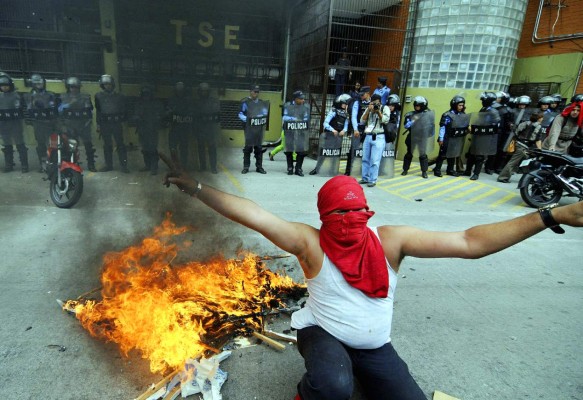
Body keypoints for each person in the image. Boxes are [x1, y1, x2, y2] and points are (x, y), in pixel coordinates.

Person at [161, 156, 583, 400]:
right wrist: (197, 186)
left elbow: (470, 241)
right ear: (324, 218)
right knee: (333, 387)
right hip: (322, 333)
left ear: (367, 210)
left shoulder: (391, 241)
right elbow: (253, 213)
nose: (349, 220)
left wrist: (550, 215)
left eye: (356, 210)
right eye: (338, 214)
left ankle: (357, 371)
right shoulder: (310, 243)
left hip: (374, 344)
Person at [58, 77, 96, 172]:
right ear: (68, 87)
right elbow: (59, 110)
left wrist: (88, 122)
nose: (74, 89)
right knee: (71, 146)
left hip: (83, 124)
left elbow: (89, 110)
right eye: (72, 87)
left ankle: (91, 164)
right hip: (70, 125)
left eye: (76, 87)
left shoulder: (85, 97)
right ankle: (72, 164)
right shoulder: (63, 97)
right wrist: (70, 103)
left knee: (88, 145)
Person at [94, 74, 129, 173]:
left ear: (112, 84)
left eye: (109, 84)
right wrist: (98, 124)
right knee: (107, 145)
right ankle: (109, 165)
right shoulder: (98, 96)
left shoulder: (119, 96)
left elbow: (124, 110)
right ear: (102, 85)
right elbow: (99, 111)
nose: (107, 86)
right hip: (105, 123)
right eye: (105, 84)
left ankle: (124, 165)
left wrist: (123, 121)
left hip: (116, 123)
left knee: (120, 144)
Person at [309, 94, 350, 176]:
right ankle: (317, 168)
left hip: (338, 136)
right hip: (330, 135)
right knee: (324, 152)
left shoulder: (346, 114)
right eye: (344, 103)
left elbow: (346, 124)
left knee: (335, 153)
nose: (346, 105)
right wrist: (332, 130)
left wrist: (344, 130)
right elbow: (325, 123)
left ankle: (333, 169)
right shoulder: (334, 111)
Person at [497, 113, 544, 183]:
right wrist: (540, 150)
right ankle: (503, 177)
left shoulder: (524, 123)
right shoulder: (538, 127)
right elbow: (538, 139)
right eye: (542, 117)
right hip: (525, 147)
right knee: (513, 162)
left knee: (525, 162)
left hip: (518, 144)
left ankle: (528, 178)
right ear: (539, 119)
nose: (542, 119)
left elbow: (516, 132)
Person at [463, 92, 500, 181]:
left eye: (483, 100)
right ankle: (468, 171)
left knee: (480, 156)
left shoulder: (493, 111)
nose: (482, 102)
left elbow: (496, 125)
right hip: (478, 134)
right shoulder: (483, 109)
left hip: (485, 136)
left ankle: (476, 174)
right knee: (471, 153)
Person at [25, 74, 58, 172]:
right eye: (36, 83)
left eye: (41, 82)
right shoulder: (30, 96)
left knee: (53, 143)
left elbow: (54, 107)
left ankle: (54, 162)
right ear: (33, 84)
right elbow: (28, 109)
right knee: (41, 144)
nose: (39, 84)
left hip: (51, 122)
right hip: (38, 123)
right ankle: (43, 163)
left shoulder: (50, 94)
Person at [433, 96, 470, 177]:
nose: (461, 107)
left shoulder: (462, 114)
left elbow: (464, 125)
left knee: (453, 154)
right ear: (454, 105)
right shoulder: (447, 115)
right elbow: (442, 127)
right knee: (443, 154)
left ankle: (450, 170)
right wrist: (441, 138)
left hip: (457, 138)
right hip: (447, 137)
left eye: (462, 105)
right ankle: (437, 169)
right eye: (459, 105)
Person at [132, 85, 165, 175]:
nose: (146, 96)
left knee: (152, 148)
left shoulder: (156, 104)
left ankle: (154, 167)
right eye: (144, 94)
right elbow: (135, 114)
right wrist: (137, 118)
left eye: (148, 94)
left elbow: (161, 115)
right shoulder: (139, 103)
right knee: (145, 148)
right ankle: (147, 165)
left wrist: (157, 118)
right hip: (142, 129)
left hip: (152, 129)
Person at [359, 93, 389, 187]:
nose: (375, 104)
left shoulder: (385, 108)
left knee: (375, 160)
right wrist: (368, 110)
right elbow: (362, 121)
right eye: (373, 102)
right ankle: (365, 178)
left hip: (379, 136)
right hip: (368, 135)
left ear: (380, 102)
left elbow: (385, 120)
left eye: (376, 102)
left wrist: (378, 111)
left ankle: (372, 180)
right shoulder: (369, 108)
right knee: (365, 159)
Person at [238, 85, 269, 174]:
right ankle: (246, 167)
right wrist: (248, 120)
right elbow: (240, 114)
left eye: (257, 92)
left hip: (259, 128)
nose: (256, 93)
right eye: (254, 91)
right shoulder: (245, 102)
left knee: (259, 148)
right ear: (250, 91)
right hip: (249, 128)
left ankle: (259, 167)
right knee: (248, 147)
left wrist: (260, 117)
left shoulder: (261, 102)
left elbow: (264, 113)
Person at [401, 96, 435, 179]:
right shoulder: (410, 114)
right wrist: (414, 119)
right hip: (412, 136)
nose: (416, 107)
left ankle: (424, 171)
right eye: (415, 106)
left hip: (422, 138)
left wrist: (429, 134)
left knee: (423, 155)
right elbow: (406, 126)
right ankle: (405, 170)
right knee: (409, 154)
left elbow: (432, 127)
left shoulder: (428, 115)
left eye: (418, 106)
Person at [0, 74, 28, 173]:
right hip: (3, 124)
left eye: (6, 85)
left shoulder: (16, 96)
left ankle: (24, 165)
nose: (4, 87)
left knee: (20, 144)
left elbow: (19, 107)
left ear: (10, 85)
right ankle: (9, 164)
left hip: (15, 123)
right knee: (7, 145)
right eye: (2, 85)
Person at [167, 81, 195, 169]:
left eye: (181, 90)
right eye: (178, 90)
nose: (180, 92)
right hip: (174, 127)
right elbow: (168, 112)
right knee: (173, 148)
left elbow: (191, 113)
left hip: (184, 127)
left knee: (184, 149)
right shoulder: (171, 99)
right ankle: (174, 165)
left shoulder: (188, 100)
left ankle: (183, 166)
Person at [193, 82, 220, 173]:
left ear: (208, 91)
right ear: (199, 92)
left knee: (212, 148)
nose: (204, 93)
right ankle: (203, 166)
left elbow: (216, 113)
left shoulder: (214, 101)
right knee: (201, 148)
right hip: (200, 128)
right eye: (202, 91)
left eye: (206, 91)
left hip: (210, 128)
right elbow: (194, 116)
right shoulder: (196, 102)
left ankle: (213, 167)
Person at [282, 91, 310, 176]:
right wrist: (293, 119)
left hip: (301, 131)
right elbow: (284, 117)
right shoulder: (288, 106)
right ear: (296, 99)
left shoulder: (305, 107)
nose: (302, 100)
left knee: (301, 151)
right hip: (289, 131)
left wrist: (301, 121)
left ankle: (298, 168)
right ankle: (290, 167)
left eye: (303, 98)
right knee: (289, 150)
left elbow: (306, 118)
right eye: (301, 99)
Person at [344, 86, 370, 176]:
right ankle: (348, 171)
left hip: (368, 129)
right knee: (353, 150)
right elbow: (354, 116)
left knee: (366, 151)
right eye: (361, 94)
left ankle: (364, 172)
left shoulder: (372, 103)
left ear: (368, 94)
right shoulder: (357, 102)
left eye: (363, 95)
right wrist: (355, 129)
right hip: (358, 128)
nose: (361, 96)